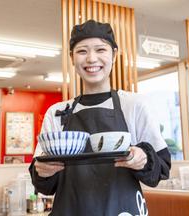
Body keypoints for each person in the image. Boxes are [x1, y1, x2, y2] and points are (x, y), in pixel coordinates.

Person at [29, 19, 171, 216]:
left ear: (114, 54)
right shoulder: (56, 112)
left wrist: (143, 159)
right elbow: (44, 184)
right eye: (82, 51)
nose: (91, 59)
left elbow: (162, 169)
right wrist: (42, 172)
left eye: (100, 50)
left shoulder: (135, 105)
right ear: (72, 58)